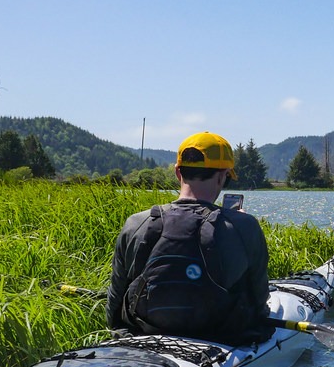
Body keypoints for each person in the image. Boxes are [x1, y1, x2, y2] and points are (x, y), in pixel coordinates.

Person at [107, 131, 270, 343]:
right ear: (223, 176)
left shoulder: (136, 222)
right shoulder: (245, 226)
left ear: (177, 172)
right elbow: (259, 298)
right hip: (219, 335)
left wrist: (118, 333)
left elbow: (115, 299)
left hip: (144, 331)